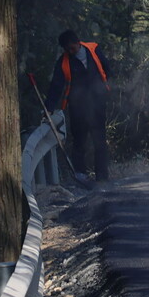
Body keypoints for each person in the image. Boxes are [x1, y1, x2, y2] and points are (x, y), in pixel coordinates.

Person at [47, 29, 111, 183]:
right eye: (67, 49)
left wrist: (107, 90)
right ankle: (81, 175)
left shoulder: (93, 49)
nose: (70, 51)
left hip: (97, 103)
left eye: (72, 48)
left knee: (99, 140)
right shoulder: (63, 62)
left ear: (78, 43)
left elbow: (107, 69)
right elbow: (56, 85)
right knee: (79, 141)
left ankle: (102, 176)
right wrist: (48, 107)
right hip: (77, 107)